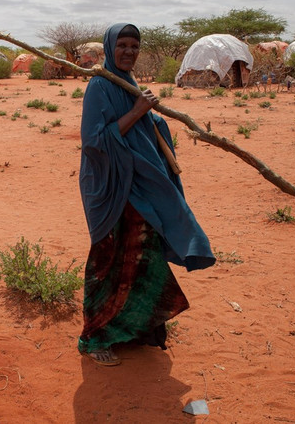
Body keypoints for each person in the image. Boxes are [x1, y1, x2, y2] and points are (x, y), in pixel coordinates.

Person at [77, 23, 215, 366]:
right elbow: (95, 142)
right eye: (122, 45)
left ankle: (135, 329)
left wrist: (150, 116)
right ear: (111, 48)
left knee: (142, 257)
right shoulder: (99, 86)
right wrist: (138, 111)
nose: (128, 51)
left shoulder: (129, 84)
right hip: (113, 188)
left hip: (140, 186)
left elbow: (140, 130)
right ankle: (95, 337)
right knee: (108, 260)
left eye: (134, 46)